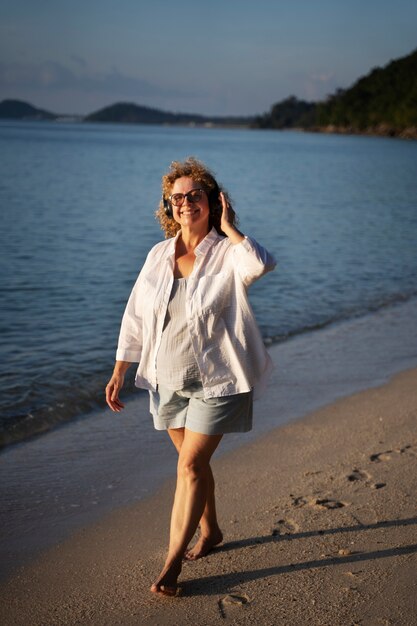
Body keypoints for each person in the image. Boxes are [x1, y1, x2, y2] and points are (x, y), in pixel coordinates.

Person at [105, 157, 276, 596]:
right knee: (194, 467)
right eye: (176, 198)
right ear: (169, 205)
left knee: (189, 465)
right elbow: (136, 315)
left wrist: (231, 227)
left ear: (212, 201)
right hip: (167, 380)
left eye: (194, 196)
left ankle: (170, 566)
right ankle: (212, 530)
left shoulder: (227, 253)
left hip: (217, 379)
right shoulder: (159, 254)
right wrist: (121, 367)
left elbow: (260, 263)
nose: (185, 204)